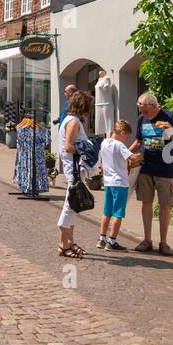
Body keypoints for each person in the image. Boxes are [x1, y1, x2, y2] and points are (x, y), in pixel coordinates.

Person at [129, 92, 173, 255]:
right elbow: (139, 141)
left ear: (154, 106)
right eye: (140, 110)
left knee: (165, 205)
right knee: (146, 203)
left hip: (165, 169)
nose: (143, 114)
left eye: (145, 110)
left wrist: (170, 130)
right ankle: (147, 240)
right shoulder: (141, 119)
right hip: (146, 168)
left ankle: (164, 243)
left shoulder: (169, 117)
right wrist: (125, 153)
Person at [56, 91, 93, 258]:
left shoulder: (72, 120)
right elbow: (68, 147)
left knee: (72, 206)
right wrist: (87, 149)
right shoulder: (73, 122)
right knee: (69, 206)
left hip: (75, 170)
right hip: (74, 171)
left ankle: (69, 241)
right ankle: (63, 244)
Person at [97, 120, 138, 251]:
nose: (126, 139)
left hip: (108, 182)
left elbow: (102, 162)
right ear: (122, 132)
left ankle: (101, 239)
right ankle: (112, 241)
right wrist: (142, 156)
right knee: (118, 214)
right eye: (126, 136)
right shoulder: (119, 145)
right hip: (120, 182)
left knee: (106, 212)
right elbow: (132, 158)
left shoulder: (104, 143)